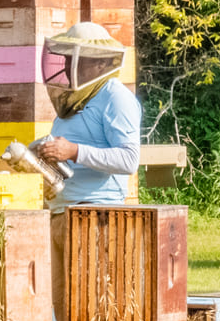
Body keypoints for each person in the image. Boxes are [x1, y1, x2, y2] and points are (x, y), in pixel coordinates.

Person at [37, 22, 142, 208]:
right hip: (62, 206)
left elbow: (129, 160)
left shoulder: (115, 97)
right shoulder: (74, 98)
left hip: (98, 211)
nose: (68, 65)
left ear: (100, 62)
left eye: (76, 58)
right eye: (67, 58)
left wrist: (75, 151)